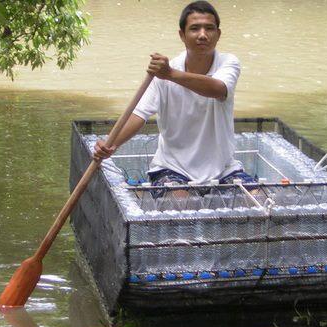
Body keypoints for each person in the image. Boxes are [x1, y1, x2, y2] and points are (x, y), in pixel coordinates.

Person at [93, 0, 256, 190]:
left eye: (209, 28)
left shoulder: (228, 62)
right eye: (195, 29)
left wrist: (170, 74)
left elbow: (218, 89)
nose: (203, 35)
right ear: (182, 35)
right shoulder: (163, 75)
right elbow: (139, 114)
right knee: (180, 202)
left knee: (259, 197)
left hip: (223, 169)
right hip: (172, 168)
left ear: (218, 34)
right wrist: (110, 145)